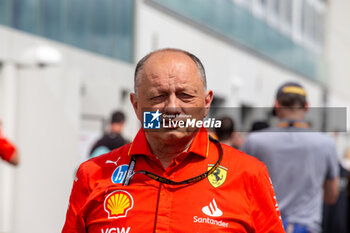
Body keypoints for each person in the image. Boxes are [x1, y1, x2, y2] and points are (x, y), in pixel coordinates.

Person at [62, 48, 284, 232]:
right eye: (158, 96)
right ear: (136, 105)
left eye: (185, 95)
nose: (172, 108)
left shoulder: (248, 173)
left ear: (207, 103)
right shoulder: (91, 174)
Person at [241, 82, 340, 233]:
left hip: (265, 225)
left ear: (276, 105)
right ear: (307, 106)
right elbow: (331, 196)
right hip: (307, 227)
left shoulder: (254, 141)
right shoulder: (327, 144)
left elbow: (240, 190)